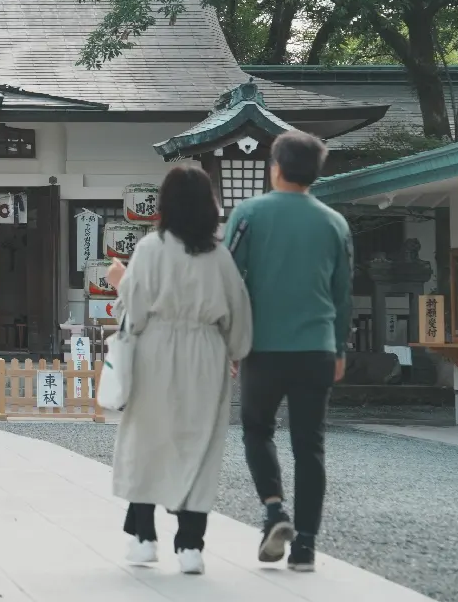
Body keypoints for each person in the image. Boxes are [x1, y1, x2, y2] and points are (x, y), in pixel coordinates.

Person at [104, 162, 254, 575]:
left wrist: (120, 281)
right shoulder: (219, 255)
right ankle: (191, 545)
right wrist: (234, 351)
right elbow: (239, 317)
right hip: (206, 353)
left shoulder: (150, 249)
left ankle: (144, 538)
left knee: (147, 440)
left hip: (155, 348)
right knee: (198, 443)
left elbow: (132, 313)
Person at [225, 129, 353, 573]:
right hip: (317, 347)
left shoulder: (249, 214)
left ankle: (275, 511)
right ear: (316, 173)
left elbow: (228, 279)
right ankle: (306, 548)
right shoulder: (335, 222)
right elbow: (343, 294)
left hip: (264, 346)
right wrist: (340, 348)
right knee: (309, 445)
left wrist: (230, 340)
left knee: (257, 430)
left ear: (275, 167)